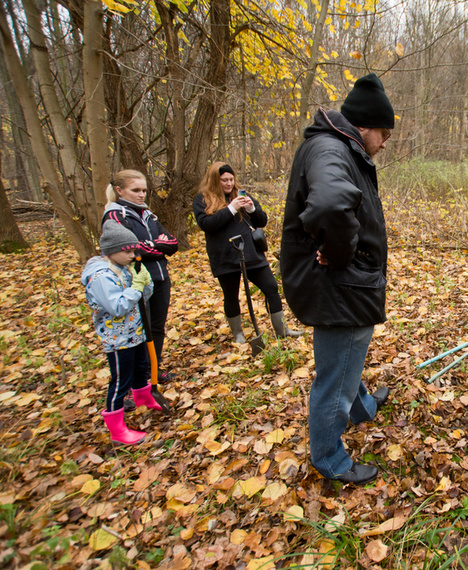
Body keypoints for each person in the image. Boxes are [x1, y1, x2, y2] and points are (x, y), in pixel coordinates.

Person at [280, 72, 394, 485]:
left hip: (346, 285)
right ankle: (328, 457)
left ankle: (360, 405)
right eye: (383, 133)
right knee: (336, 374)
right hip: (339, 285)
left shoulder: (339, 147)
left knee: (348, 355)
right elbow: (329, 204)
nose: (385, 143)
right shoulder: (331, 148)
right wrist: (340, 252)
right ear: (364, 127)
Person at [193, 162, 301, 342]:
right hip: (225, 256)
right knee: (231, 295)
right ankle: (238, 335)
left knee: (271, 288)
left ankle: (282, 329)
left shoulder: (241, 195)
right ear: (214, 181)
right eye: (223, 180)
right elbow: (206, 224)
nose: (228, 184)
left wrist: (251, 208)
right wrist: (231, 208)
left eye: (231, 179)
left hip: (251, 253)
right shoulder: (202, 199)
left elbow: (262, 221)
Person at [82, 220, 164, 445]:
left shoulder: (125, 267)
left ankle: (144, 399)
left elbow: (141, 298)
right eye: (127, 250)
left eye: (134, 249)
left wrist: (145, 284)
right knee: (121, 380)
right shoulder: (100, 276)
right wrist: (136, 288)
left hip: (135, 332)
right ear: (111, 251)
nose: (133, 254)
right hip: (117, 339)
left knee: (140, 369)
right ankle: (117, 428)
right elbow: (117, 306)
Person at [103, 169, 178, 386]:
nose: (141, 194)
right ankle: (131, 383)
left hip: (160, 277)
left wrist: (153, 246)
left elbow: (173, 244)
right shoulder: (115, 215)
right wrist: (157, 246)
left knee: (156, 326)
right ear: (119, 190)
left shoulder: (148, 214)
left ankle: (153, 371)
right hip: (134, 280)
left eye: (144, 190)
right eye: (135, 190)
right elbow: (132, 249)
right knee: (136, 331)